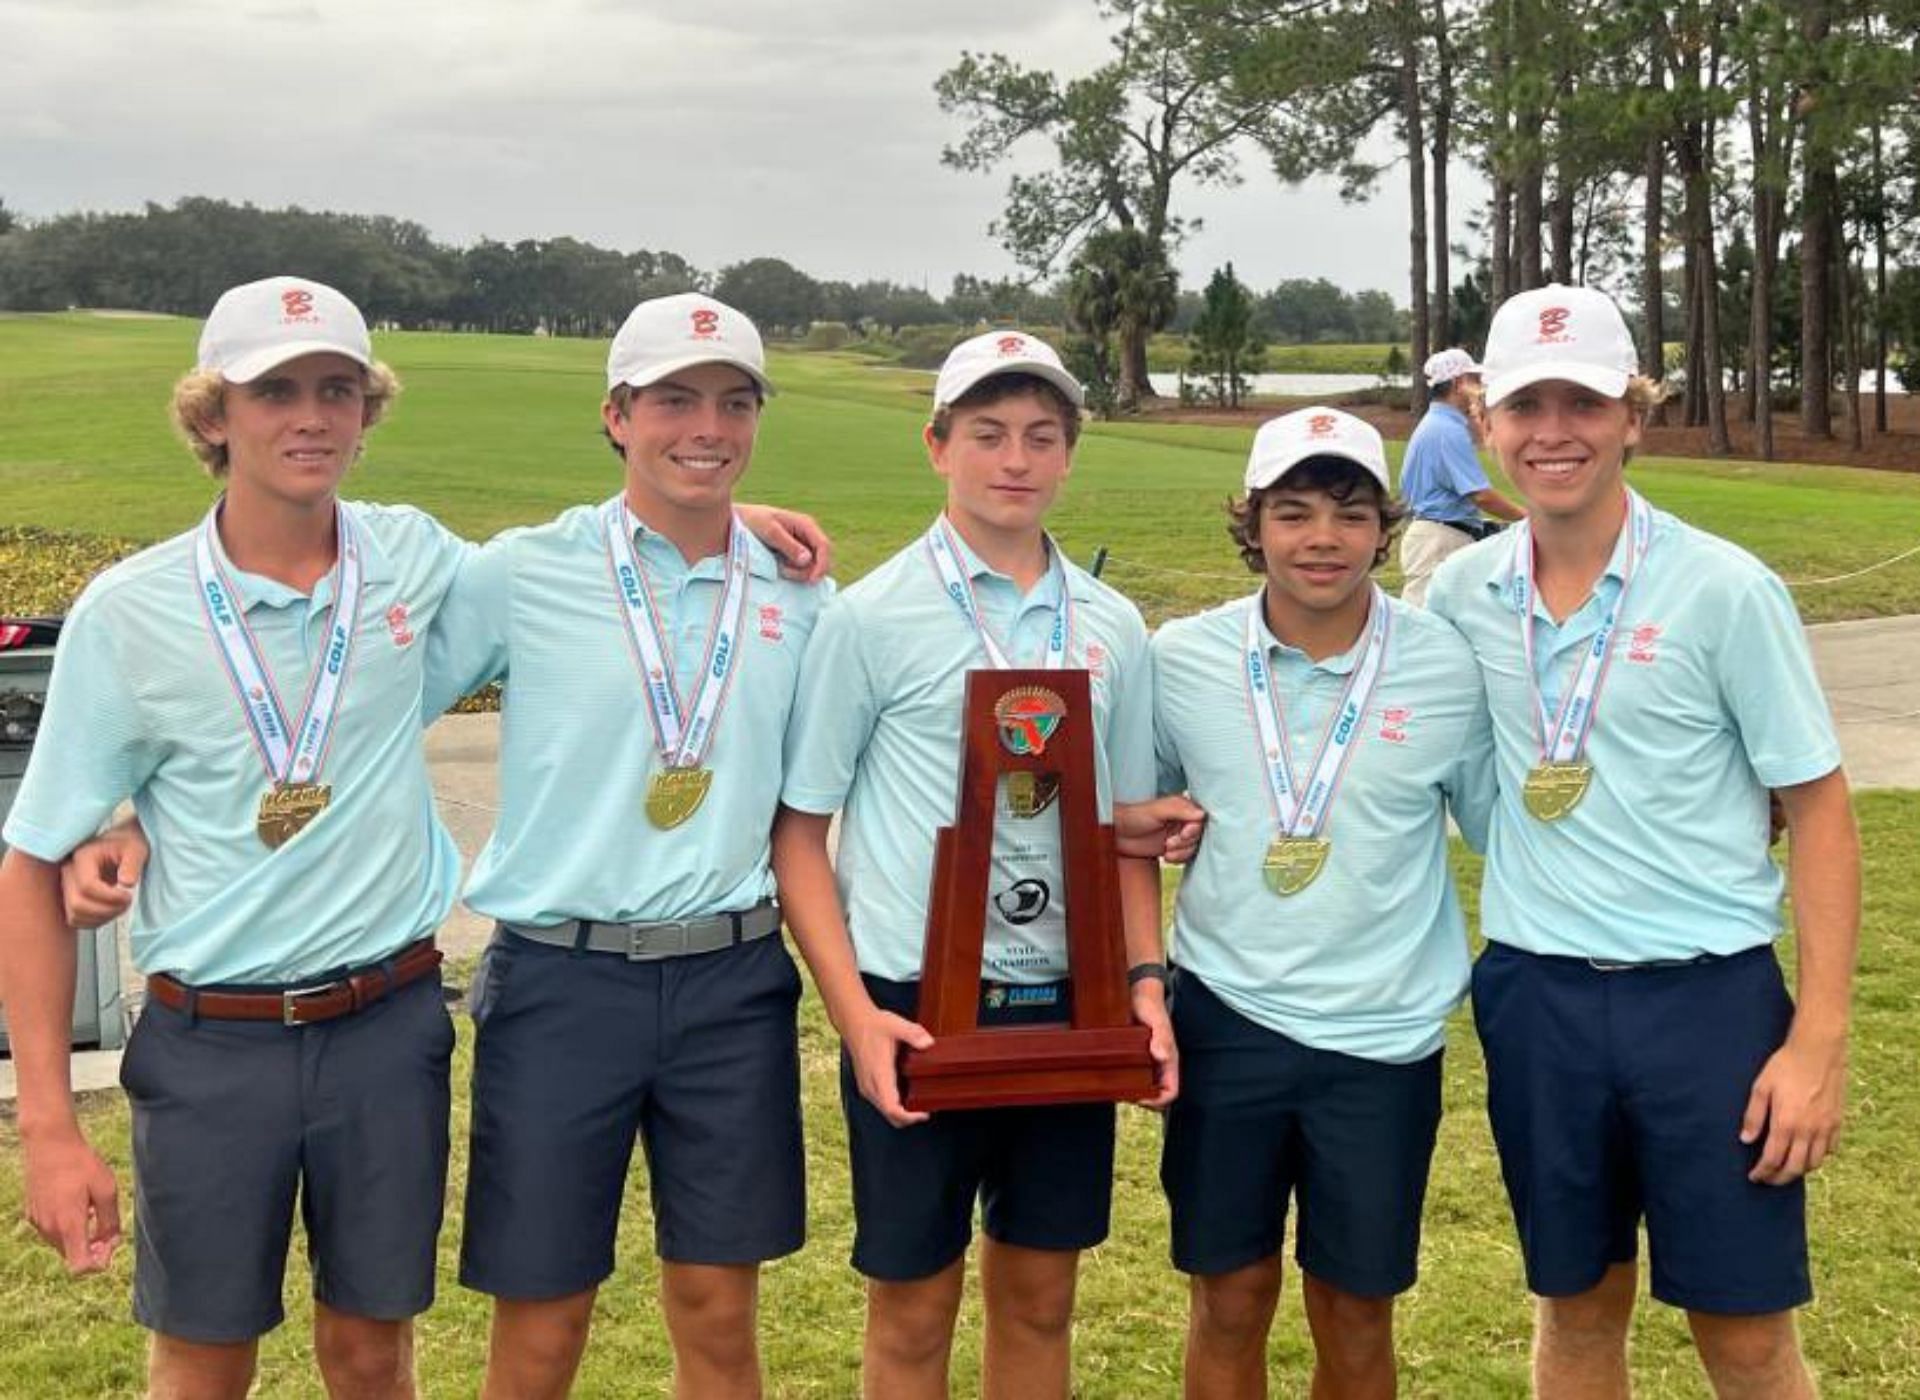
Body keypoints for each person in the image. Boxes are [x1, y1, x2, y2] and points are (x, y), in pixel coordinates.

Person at [0, 276, 467, 1400]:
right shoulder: (129, 610)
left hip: (388, 1026)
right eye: (274, 392)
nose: (309, 415)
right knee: (203, 1362)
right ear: (213, 416)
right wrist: (52, 1127)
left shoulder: (411, 557)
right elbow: (30, 861)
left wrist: (720, 512)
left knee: (371, 1352)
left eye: (336, 389)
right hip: (214, 1043)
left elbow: (581, 567)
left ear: (368, 411)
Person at [1428, 284, 1859, 1398]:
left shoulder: (1725, 590)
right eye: (1527, 405)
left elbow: (1816, 807)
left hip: (1708, 1003)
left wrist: (1816, 1041)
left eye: (1584, 401)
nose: (1554, 431)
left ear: (1634, 413)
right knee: (1574, 1312)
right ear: (1488, 420)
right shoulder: (1461, 595)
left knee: (1747, 1334)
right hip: (1537, 997)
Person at [420, 293, 827, 1400]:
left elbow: (826, 798)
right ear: (616, 415)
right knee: (544, 1319)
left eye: (734, 403)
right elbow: (369, 707)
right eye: (675, 400)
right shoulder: (527, 567)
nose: (708, 426)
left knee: (718, 1312)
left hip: (732, 979)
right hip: (561, 977)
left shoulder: (800, 588)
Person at [771, 330, 1176, 1399]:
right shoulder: (870, 617)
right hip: (917, 999)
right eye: (988, 433)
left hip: (1068, 999)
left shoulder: (1113, 624)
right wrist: (856, 1011)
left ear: (1070, 456)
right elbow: (800, 832)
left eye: (1042, 436)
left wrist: (1144, 983)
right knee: (912, 1304)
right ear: (937, 446)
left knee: (1042, 1296)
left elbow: (1121, 834)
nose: (1016, 458)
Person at [1150, 406, 1494, 1398]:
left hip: (1383, 1037)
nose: (1321, 540)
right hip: (1226, 1016)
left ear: (1383, 528)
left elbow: (1510, 823)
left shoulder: (1443, 663)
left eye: (1348, 513)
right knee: (1229, 1295)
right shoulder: (1180, 659)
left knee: (1355, 1307)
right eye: (1292, 512)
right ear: (1251, 524)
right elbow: (1133, 820)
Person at [1398, 346, 1524, 607]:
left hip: (1436, 534)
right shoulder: (1446, 430)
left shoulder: (1438, 424)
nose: (1480, 387)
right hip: (1440, 540)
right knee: (1425, 625)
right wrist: (1527, 518)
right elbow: (1481, 495)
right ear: (1458, 384)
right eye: (1474, 381)